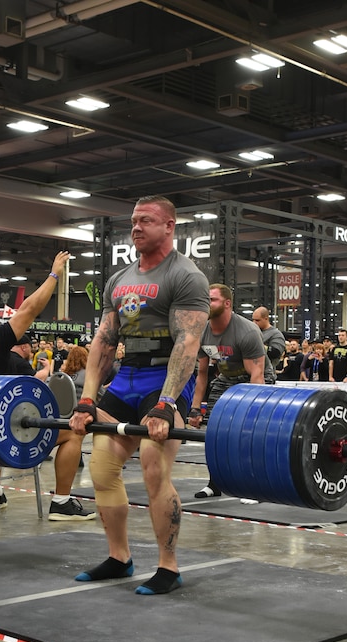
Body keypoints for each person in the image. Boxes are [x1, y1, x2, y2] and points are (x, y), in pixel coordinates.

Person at [69, 194, 209, 596]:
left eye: (146, 220)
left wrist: (166, 404)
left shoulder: (186, 276)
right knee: (100, 470)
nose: (135, 227)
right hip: (126, 381)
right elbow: (104, 342)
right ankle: (119, 558)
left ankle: (169, 566)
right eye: (133, 220)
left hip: (163, 383)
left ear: (169, 226)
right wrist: (88, 398)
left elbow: (187, 343)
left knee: (153, 466)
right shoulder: (120, 279)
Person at [0, 251, 95, 520]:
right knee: (74, 433)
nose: (1, 327)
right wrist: (54, 274)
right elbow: (29, 309)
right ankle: (62, 502)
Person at [188, 284, 269, 498]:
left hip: (255, 379)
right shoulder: (202, 331)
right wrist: (195, 409)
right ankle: (214, 484)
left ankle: (254, 487)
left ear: (227, 303)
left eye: (212, 299)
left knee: (248, 434)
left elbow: (257, 375)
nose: (207, 303)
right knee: (214, 433)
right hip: (226, 378)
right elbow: (202, 374)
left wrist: (252, 413)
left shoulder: (246, 331)